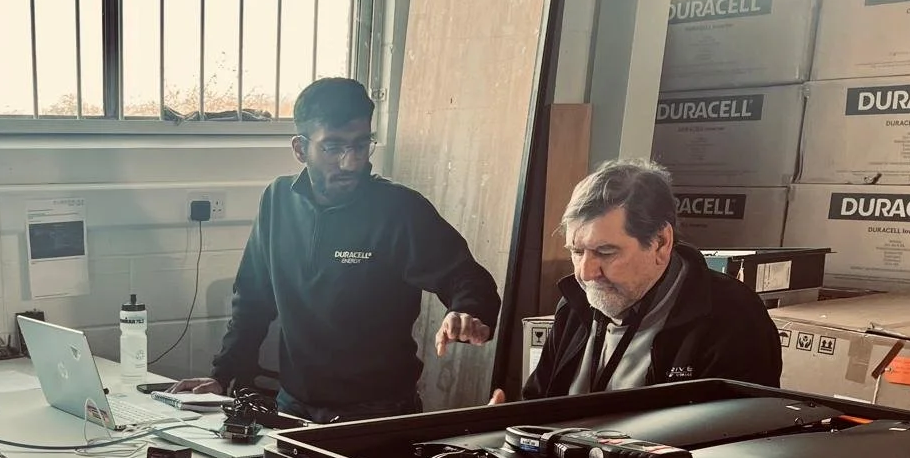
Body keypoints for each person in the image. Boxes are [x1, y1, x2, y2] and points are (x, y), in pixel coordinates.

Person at [170, 77, 500, 422]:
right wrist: (222, 377)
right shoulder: (277, 202)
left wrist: (467, 311)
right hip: (293, 405)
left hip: (376, 413)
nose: (351, 162)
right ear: (300, 149)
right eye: (334, 147)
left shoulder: (399, 210)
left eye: (361, 145)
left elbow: (468, 278)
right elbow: (252, 300)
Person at [504, 158, 781, 403]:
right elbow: (535, 407)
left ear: (660, 242)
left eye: (605, 252)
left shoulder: (733, 319)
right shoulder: (574, 306)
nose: (586, 273)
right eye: (577, 252)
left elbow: (738, 446)